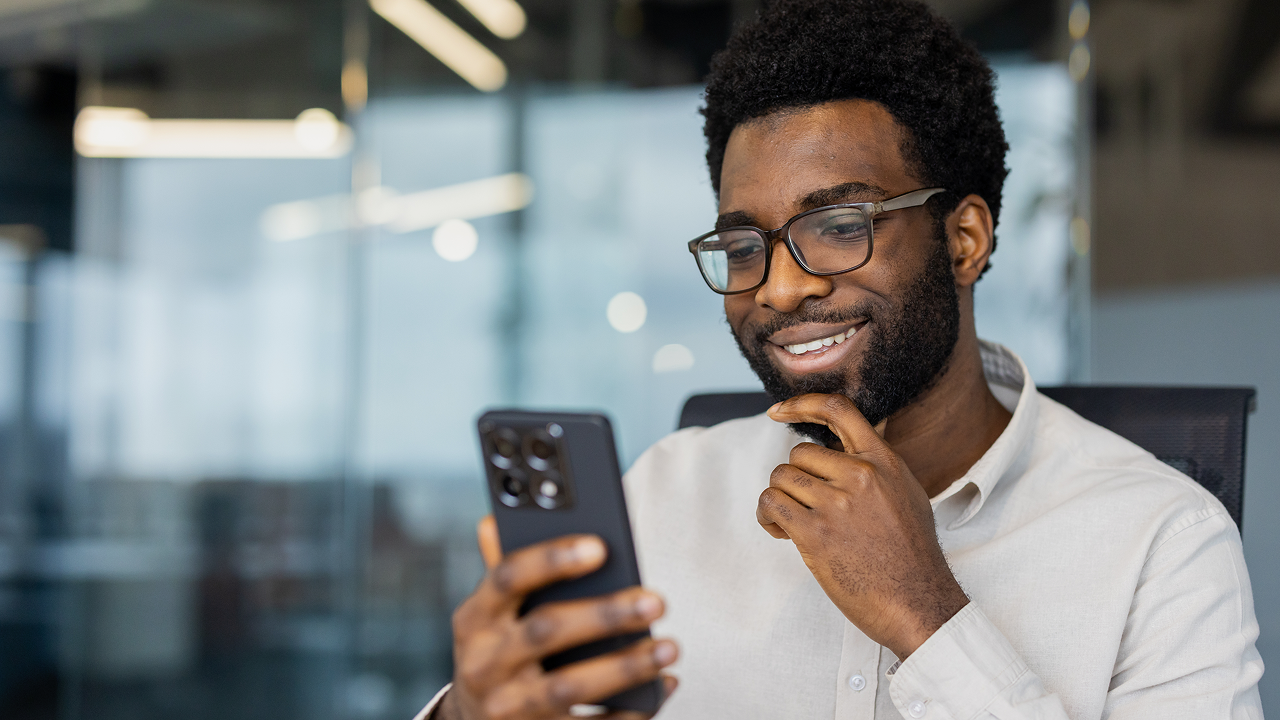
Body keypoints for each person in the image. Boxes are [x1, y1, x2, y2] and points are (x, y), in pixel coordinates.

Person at [422, 0, 1265, 717]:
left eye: (839, 226)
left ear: (965, 239)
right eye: (743, 241)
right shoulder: (663, 496)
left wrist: (927, 617)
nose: (780, 290)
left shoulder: (1163, 540)